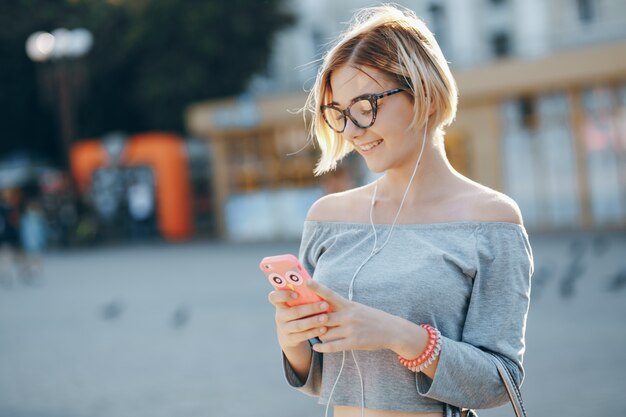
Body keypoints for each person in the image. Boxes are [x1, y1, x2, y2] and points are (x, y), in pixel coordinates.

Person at [266, 5, 533, 417]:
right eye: (339, 113)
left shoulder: (491, 221)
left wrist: (402, 336)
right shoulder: (328, 217)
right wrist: (293, 342)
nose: (352, 130)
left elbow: (500, 383)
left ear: (423, 95)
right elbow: (323, 376)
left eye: (365, 106)